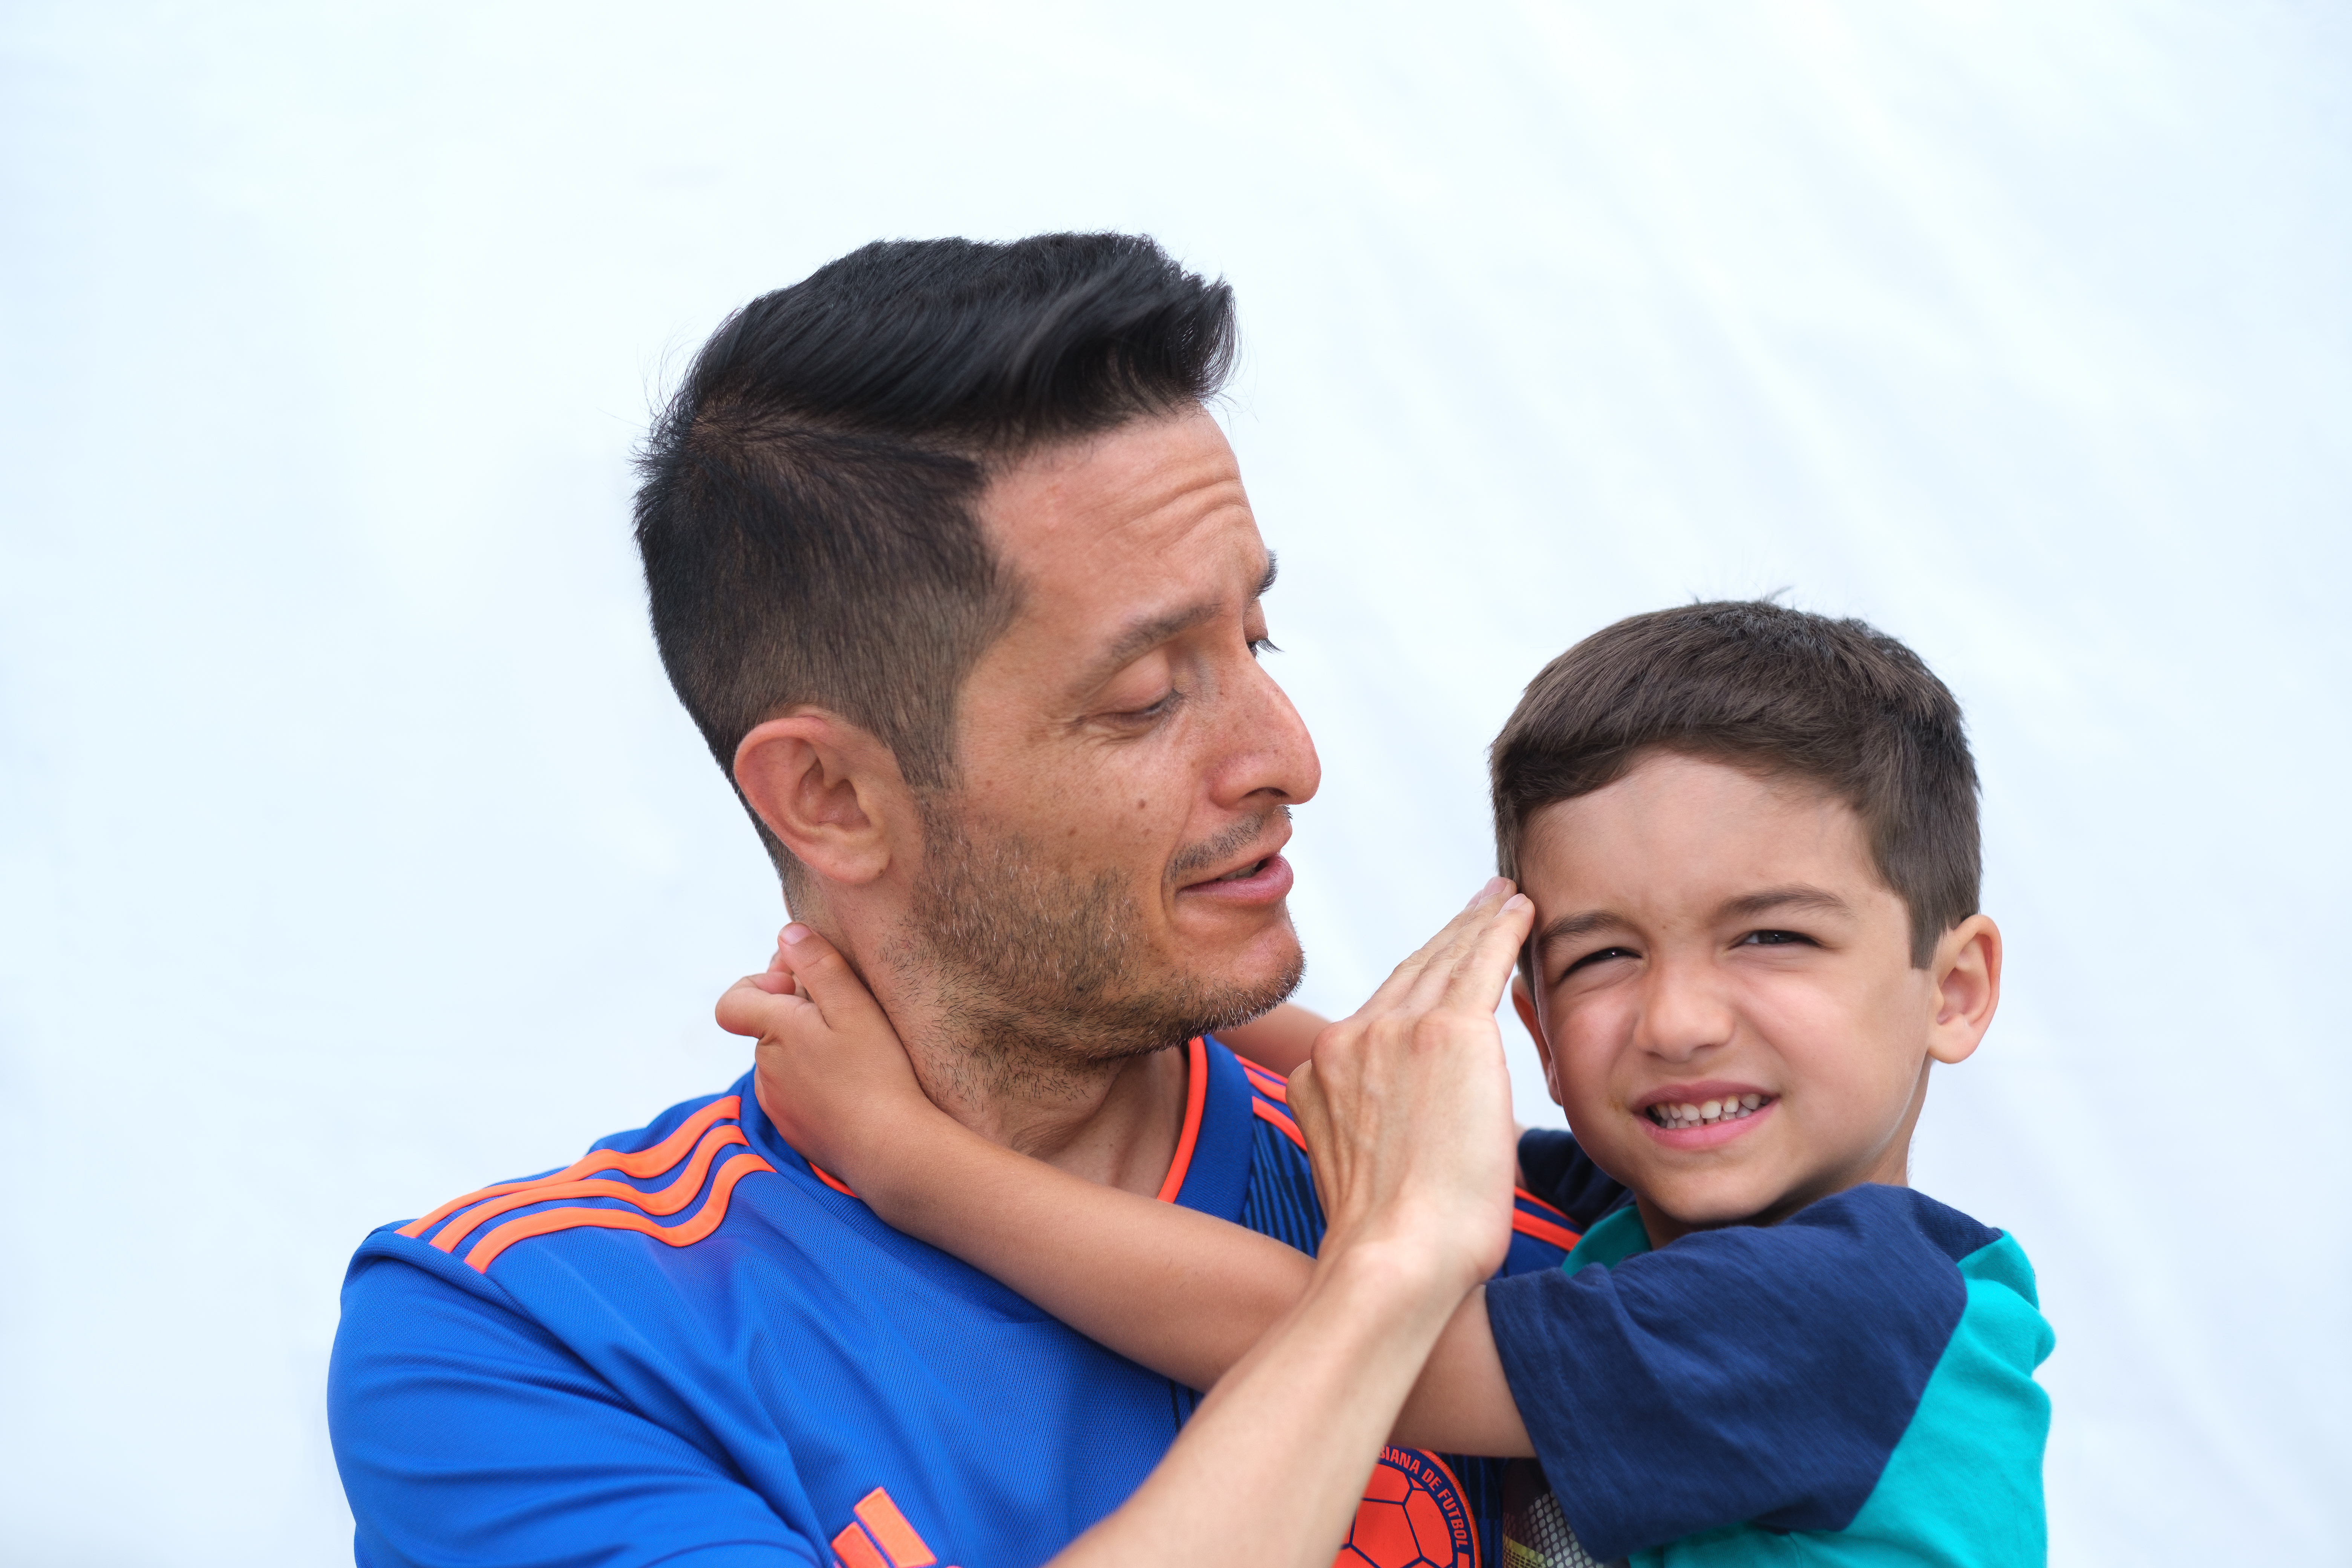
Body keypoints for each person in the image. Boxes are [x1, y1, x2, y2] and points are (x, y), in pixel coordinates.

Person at [326, 233, 1580, 1568]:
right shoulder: (538, 1341)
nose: (1291, 759)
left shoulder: (1575, 1217)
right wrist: (1381, 1289)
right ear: (831, 798)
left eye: (1255, 640)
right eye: (1147, 697)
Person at [747, 600, 2057, 1567]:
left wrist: (905, 1156)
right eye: (1603, 957)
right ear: (1530, 1018)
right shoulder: (1645, 1213)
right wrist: (1152, 992)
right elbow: (1364, 1094)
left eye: (1771, 936)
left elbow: (1356, 1339)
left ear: (1955, 989)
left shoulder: (1854, 1306)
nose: (1678, 1019)